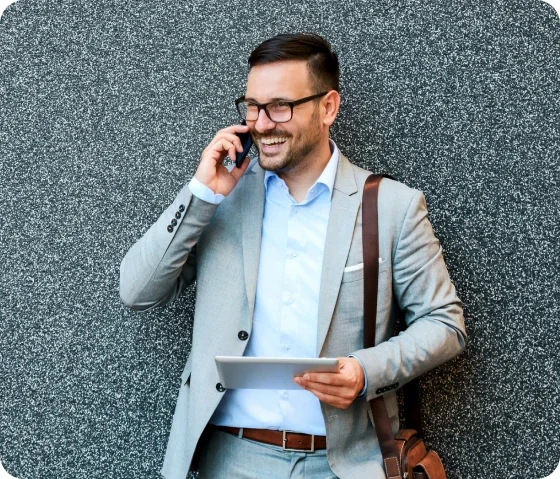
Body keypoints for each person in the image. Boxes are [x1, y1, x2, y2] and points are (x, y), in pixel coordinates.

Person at [119, 33, 467, 479]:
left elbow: (445, 324)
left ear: (327, 108)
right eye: (252, 106)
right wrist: (202, 193)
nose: (262, 123)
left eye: (280, 106)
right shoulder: (220, 201)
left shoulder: (392, 206)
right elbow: (137, 291)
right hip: (231, 459)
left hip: (344, 464)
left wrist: (365, 371)